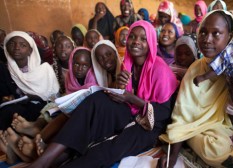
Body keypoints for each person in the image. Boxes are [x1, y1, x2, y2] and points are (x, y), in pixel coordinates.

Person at [25, 20, 178, 168]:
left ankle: (65, 161)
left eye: (143, 39)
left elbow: (163, 115)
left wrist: (131, 98)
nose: (136, 41)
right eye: (132, 36)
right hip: (132, 111)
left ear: (151, 42)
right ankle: (44, 161)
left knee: (111, 148)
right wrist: (119, 87)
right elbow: (127, 98)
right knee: (96, 100)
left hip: (151, 127)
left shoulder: (160, 69)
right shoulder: (128, 64)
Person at [158, 10, 233, 168]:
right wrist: (172, 157)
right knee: (213, 149)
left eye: (216, 33)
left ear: (230, 36)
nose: (206, 39)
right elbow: (182, 117)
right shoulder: (196, 70)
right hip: (203, 129)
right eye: (203, 32)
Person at [0, 31, 59, 163]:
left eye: (22, 45)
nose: (16, 48)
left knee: (42, 109)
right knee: (7, 112)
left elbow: (53, 96)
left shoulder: (44, 69)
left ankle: (23, 142)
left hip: (42, 106)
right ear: (6, 48)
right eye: (12, 44)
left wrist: (34, 97)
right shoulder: (5, 71)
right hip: (19, 108)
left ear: (30, 50)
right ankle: (13, 146)